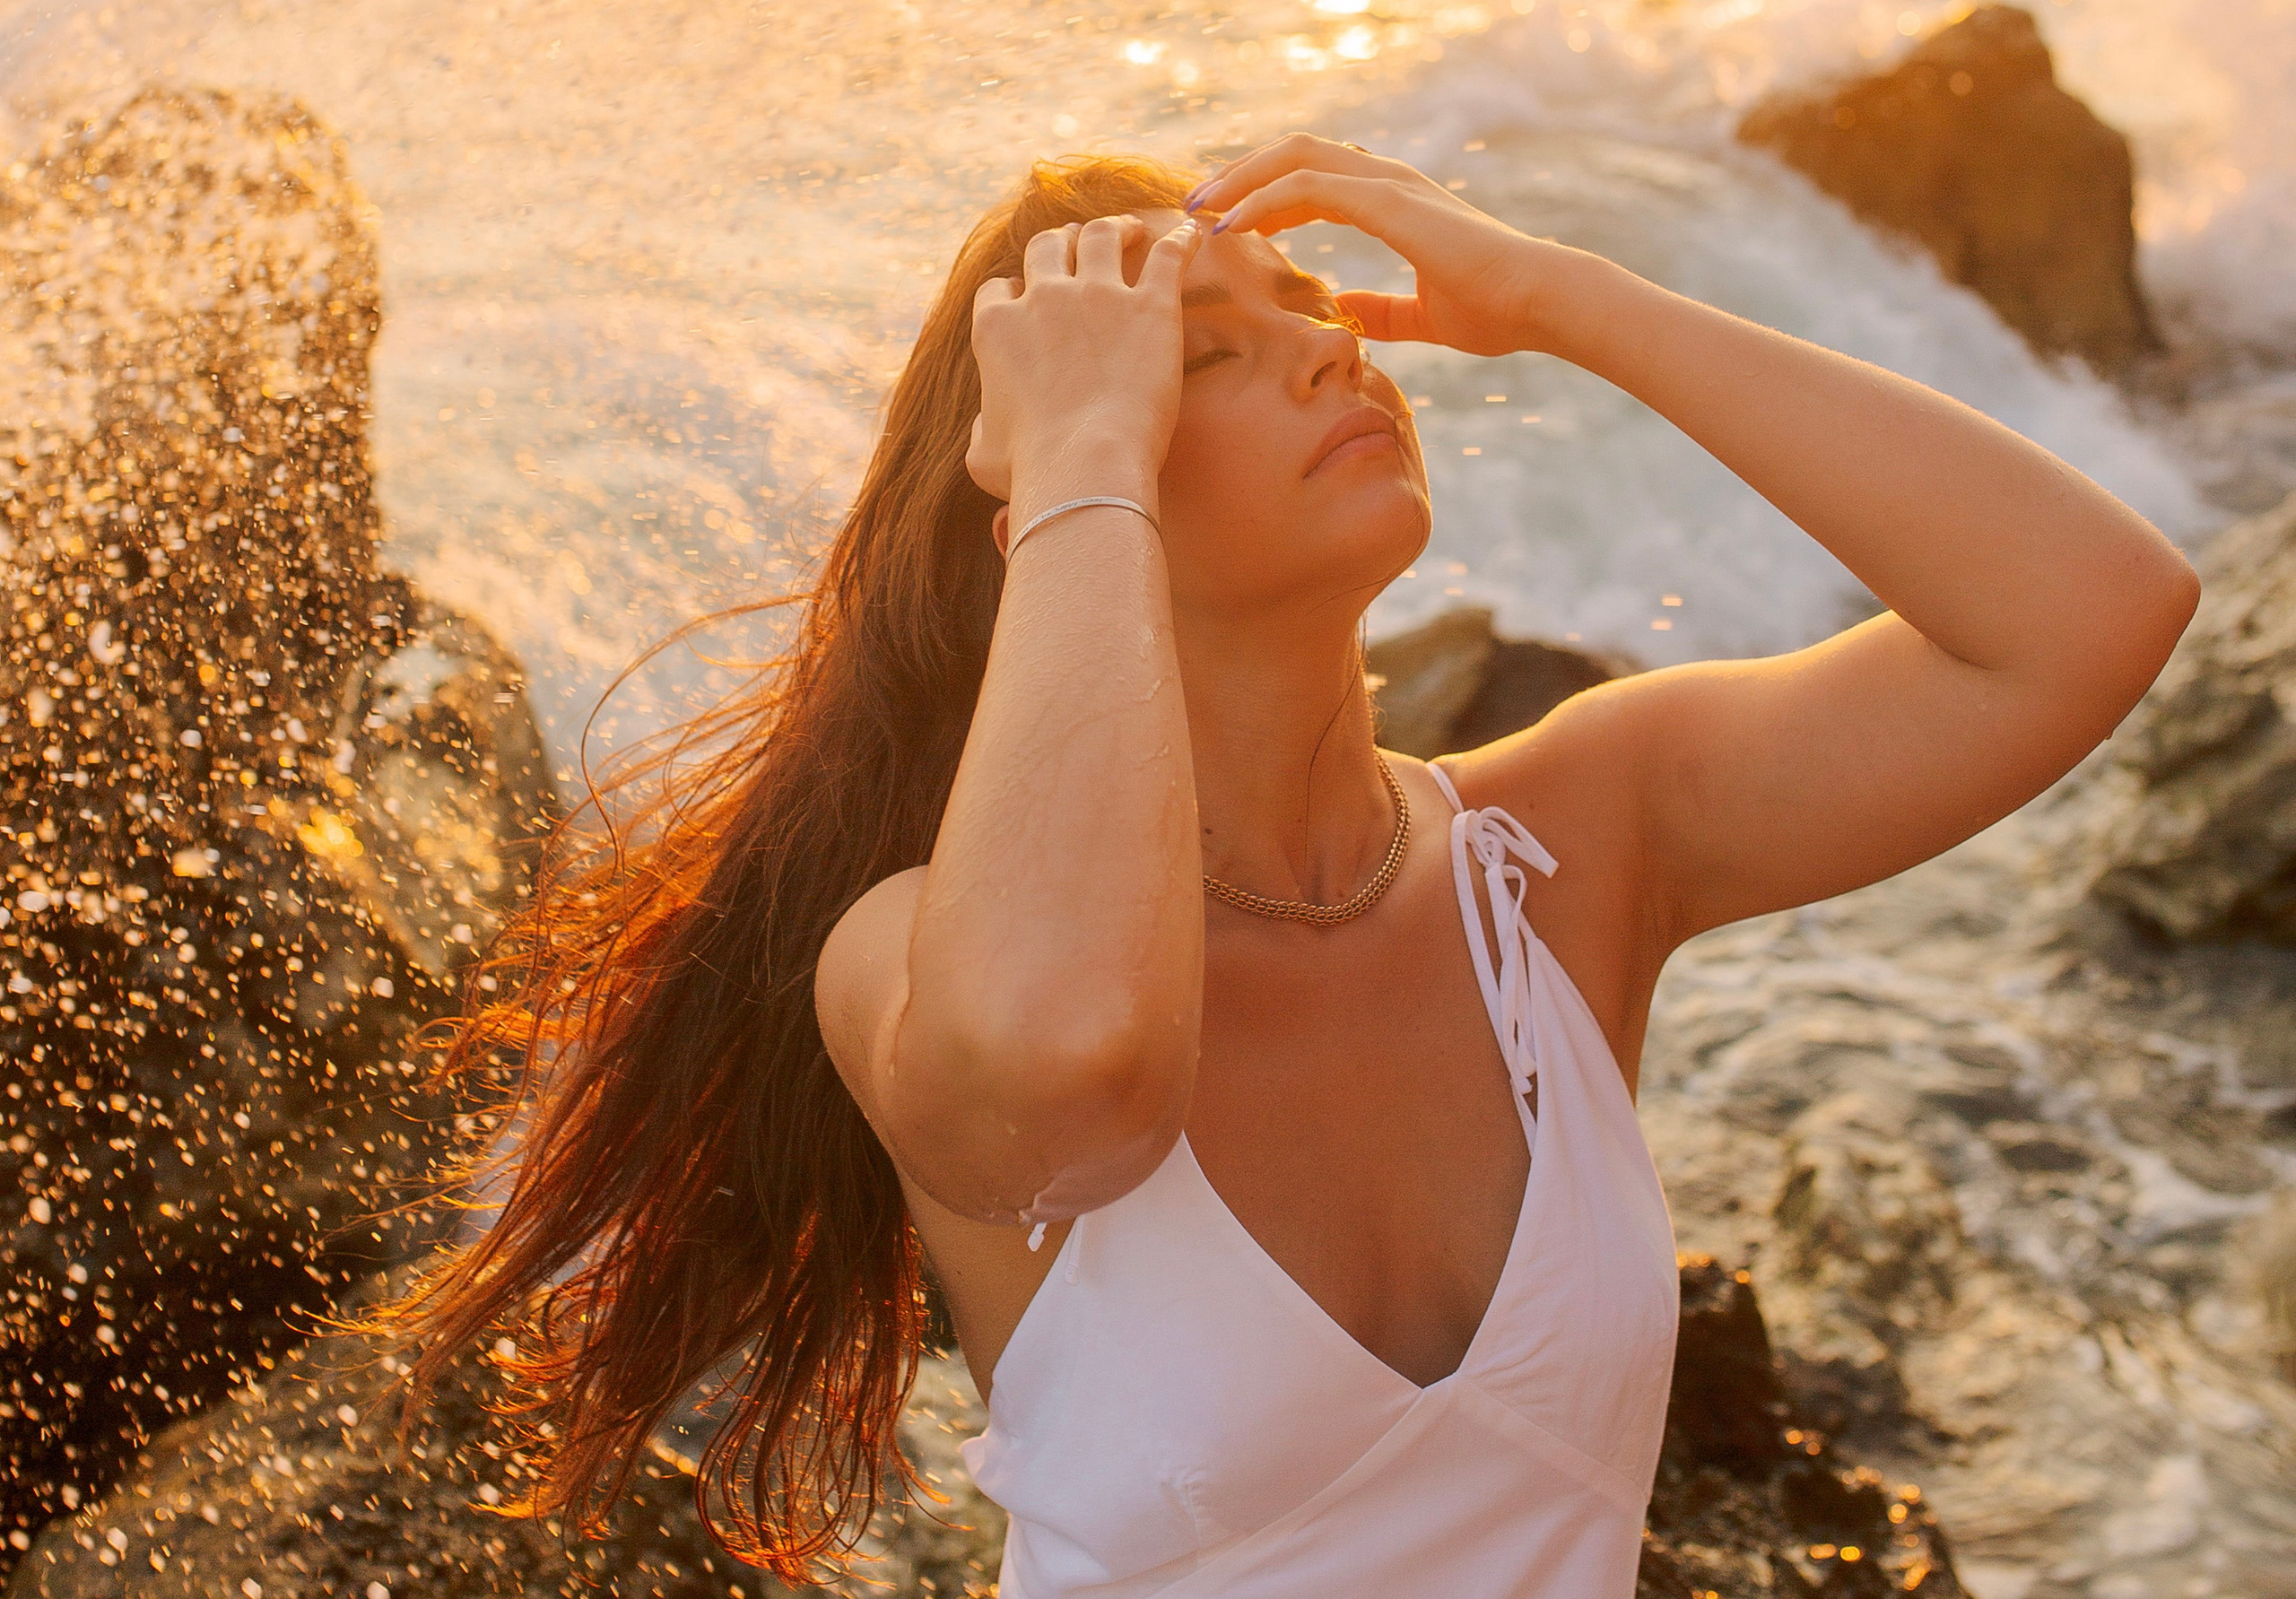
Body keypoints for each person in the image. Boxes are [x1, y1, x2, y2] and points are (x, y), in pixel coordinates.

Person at [395, 136, 2197, 1598]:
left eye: (1313, 304)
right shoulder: (909, 956)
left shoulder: (1565, 844)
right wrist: (1080, 457)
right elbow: (1073, 1062)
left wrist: (1562, 295)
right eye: (1204, 355)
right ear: (1049, 490)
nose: (1333, 347)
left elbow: (2086, 612)